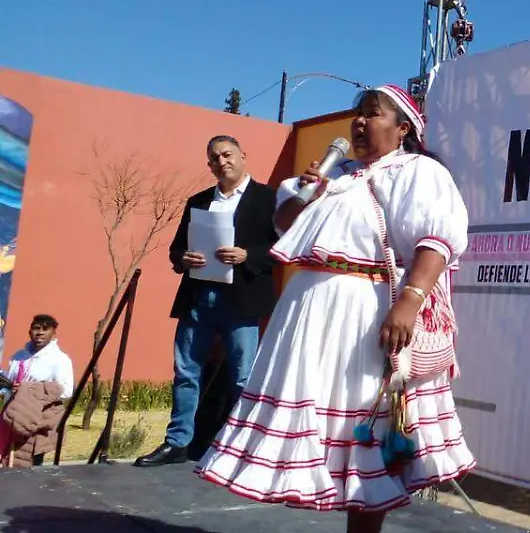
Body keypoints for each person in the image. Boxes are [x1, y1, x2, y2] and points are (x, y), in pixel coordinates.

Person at [195, 85, 475, 533]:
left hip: (364, 312)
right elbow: (284, 224)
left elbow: (437, 240)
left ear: (403, 128)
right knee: (327, 436)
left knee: (364, 429)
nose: (360, 122)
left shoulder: (417, 172)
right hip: (310, 315)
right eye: (357, 114)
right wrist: (309, 190)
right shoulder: (334, 175)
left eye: (372, 114)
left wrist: (409, 301)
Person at [136, 135, 279, 467]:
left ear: (244, 155)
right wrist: (184, 259)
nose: (221, 162)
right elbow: (175, 249)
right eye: (214, 158)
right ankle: (177, 442)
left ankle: (243, 447)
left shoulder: (267, 199)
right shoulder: (198, 201)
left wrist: (247, 255)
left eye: (227, 155)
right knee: (186, 371)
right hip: (199, 297)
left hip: (240, 299)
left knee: (243, 376)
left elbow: (282, 245)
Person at [1, 314, 73, 467]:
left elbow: (66, 390)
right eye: (36, 328)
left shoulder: (59, 359)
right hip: (11, 417)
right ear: (29, 331)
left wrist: (29, 390)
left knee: (30, 468)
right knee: (7, 462)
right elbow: (9, 383)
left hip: (37, 421)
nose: (40, 332)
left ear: (53, 334)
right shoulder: (18, 356)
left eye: (45, 329)